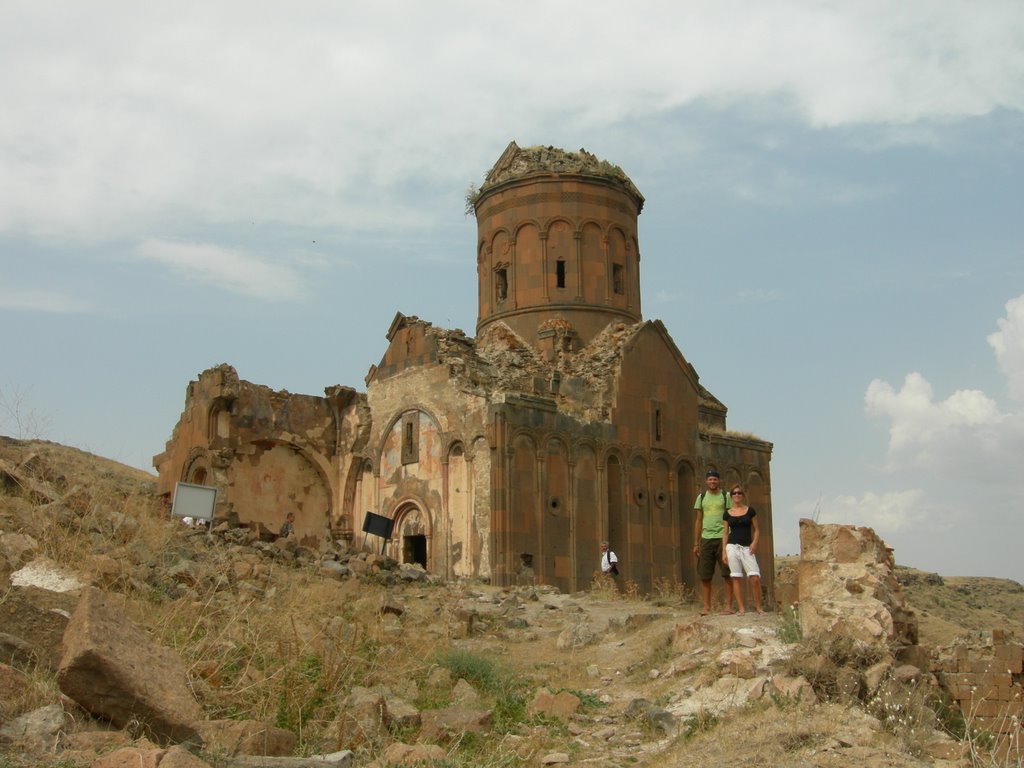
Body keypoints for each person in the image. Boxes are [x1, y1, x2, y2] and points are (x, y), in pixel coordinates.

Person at [693, 469, 735, 615]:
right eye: (710, 479)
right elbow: (698, 519)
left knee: (727, 573)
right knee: (704, 575)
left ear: (719, 481)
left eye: (715, 479)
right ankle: (706, 607)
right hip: (706, 538)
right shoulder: (701, 497)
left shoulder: (726, 496)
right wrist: (696, 543)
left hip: (723, 538)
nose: (712, 482)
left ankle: (728, 606)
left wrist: (732, 537)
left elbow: (731, 517)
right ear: (706, 481)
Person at [721, 485, 763, 614]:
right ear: (731, 496)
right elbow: (725, 533)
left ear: (743, 495)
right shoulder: (727, 513)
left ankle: (758, 607)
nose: (737, 495)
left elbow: (756, 529)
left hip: (747, 547)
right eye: (734, 493)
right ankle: (741, 608)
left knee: (754, 577)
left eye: (739, 493)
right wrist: (724, 551)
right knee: (736, 577)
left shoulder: (750, 511)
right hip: (732, 546)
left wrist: (754, 543)